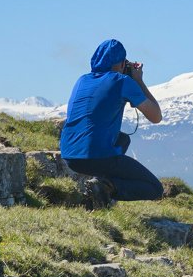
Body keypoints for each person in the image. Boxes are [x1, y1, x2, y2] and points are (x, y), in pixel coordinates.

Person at [60, 39, 164, 208]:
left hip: (70, 156)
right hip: (98, 157)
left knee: (123, 139)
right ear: (123, 63)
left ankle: (101, 184)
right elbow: (156, 116)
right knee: (154, 188)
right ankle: (106, 186)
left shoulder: (82, 80)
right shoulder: (122, 81)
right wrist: (138, 80)